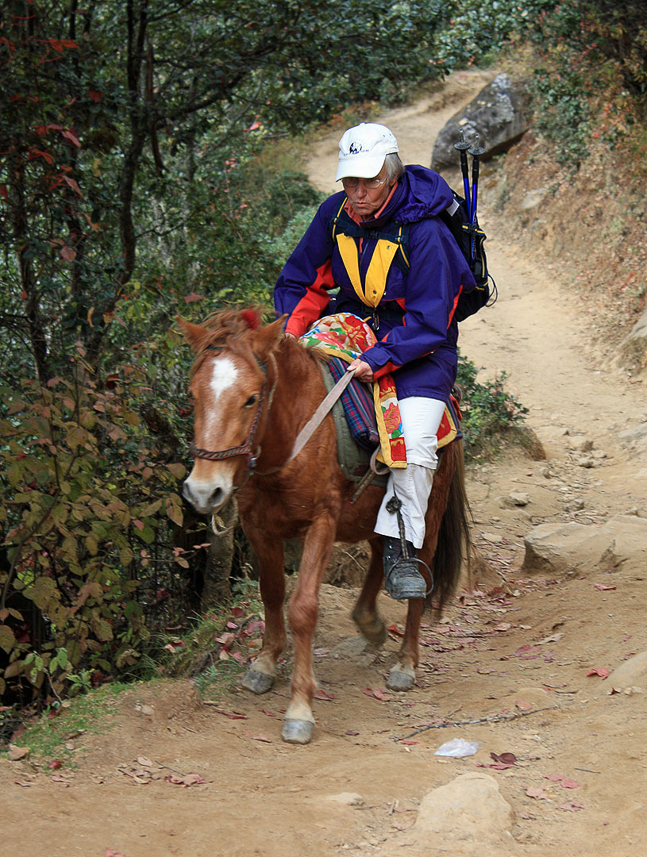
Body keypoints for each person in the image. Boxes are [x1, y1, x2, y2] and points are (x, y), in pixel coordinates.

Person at [274, 122, 476, 600]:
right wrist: (289, 335)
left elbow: (430, 320)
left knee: (415, 438)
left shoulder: (425, 233)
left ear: (392, 176)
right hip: (351, 325)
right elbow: (302, 282)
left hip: (419, 348)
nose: (358, 193)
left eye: (368, 182)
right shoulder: (335, 215)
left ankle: (402, 546)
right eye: (349, 182)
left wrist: (378, 358)